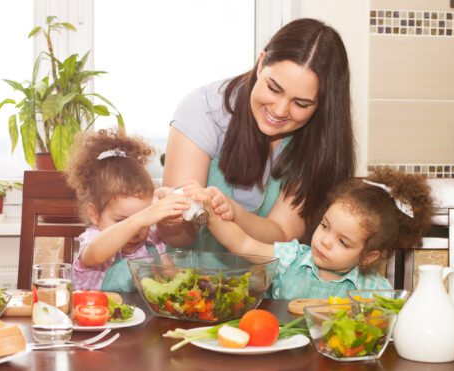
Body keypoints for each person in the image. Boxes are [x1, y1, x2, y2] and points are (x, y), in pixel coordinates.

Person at [158, 18, 356, 258]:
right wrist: (170, 220)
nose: (280, 110)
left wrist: (235, 214)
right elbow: (180, 238)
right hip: (188, 283)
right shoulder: (203, 111)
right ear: (261, 63)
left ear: (323, 105)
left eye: (301, 103)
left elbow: (283, 234)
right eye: (274, 88)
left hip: (266, 284)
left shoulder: (318, 141)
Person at [185, 168, 434, 299]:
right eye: (325, 226)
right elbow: (241, 243)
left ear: (368, 256)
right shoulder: (292, 258)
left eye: (343, 242)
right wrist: (209, 213)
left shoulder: (372, 291)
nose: (325, 240)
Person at [65, 129, 190, 292]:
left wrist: (196, 283)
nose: (135, 230)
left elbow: (172, 274)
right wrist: (140, 219)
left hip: (144, 317)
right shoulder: (93, 240)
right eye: (121, 220)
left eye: (145, 220)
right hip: (94, 315)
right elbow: (96, 254)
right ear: (95, 215)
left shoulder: (152, 243)